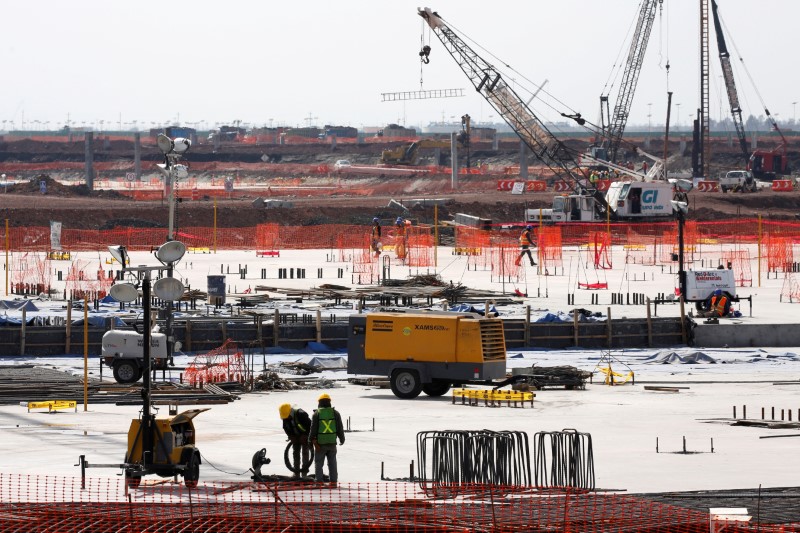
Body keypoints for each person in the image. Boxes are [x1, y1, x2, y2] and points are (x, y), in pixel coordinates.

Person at [310, 393, 345, 483]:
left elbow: (313, 429)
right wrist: (342, 438)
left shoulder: (316, 414)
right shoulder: (335, 413)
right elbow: (339, 427)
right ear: (329, 402)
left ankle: (319, 482)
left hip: (320, 444)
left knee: (319, 463)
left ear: (319, 403)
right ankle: (333, 482)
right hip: (332, 442)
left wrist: (310, 440)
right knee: (332, 463)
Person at [279, 403, 312, 478]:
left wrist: (305, 435)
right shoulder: (285, 416)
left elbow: (310, 426)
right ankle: (296, 473)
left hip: (305, 436)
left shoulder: (301, 414)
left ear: (290, 411)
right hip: (295, 436)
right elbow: (285, 427)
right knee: (295, 453)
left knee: (305, 453)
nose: (287, 418)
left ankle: (304, 473)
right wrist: (291, 436)